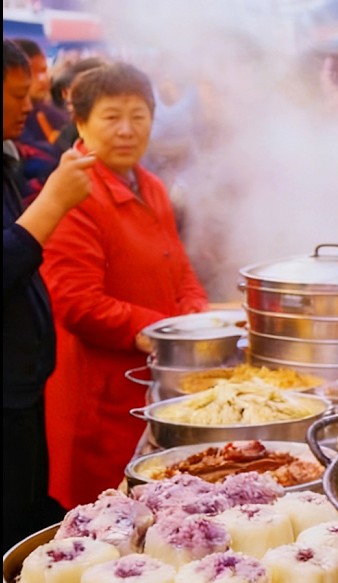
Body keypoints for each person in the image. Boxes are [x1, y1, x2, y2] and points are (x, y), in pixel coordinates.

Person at [41, 62, 210, 510]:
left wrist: (198, 319)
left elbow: (180, 269)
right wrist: (171, 333)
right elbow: (78, 303)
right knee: (101, 520)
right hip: (101, 395)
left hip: (151, 383)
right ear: (80, 122)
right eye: (111, 117)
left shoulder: (150, 185)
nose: (126, 130)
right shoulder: (74, 193)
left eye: (138, 116)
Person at [3, 39, 97, 550]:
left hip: (24, 389)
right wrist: (53, 204)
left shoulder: (9, 158)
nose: (30, 103)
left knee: (27, 519)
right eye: (17, 94)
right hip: (8, 397)